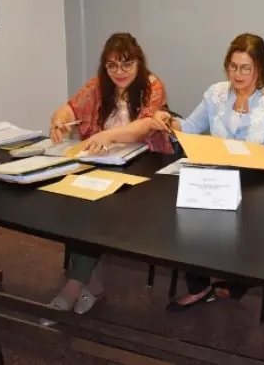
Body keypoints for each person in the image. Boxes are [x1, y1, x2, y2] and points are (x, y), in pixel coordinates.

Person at [152, 33, 264, 311]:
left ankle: (237, 278)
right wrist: (168, 121)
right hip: (222, 176)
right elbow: (190, 128)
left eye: (246, 68)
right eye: (233, 67)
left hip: (262, 181)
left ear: (260, 68)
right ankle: (200, 287)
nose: (238, 74)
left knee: (246, 222)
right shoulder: (216, 94)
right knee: (188, 216)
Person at [44, 33, 173, 320]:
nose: (119, 72)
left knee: (97, 208)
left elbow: (144, 127)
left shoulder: (152, 85)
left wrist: (107, 135)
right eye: (112, 66)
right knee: (73, 200)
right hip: (104, 164)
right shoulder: (98, 86)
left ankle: (74, 285)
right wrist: (59, 119)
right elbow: (69, 108)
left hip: (144, 170)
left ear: (138, 62)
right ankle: (90, 283)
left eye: (127, 64)